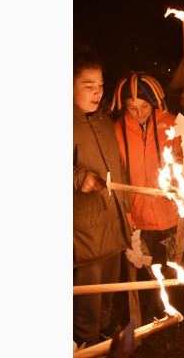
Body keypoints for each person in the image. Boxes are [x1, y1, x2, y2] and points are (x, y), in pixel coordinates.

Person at [112, 72, 183, 321]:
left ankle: (178, 307)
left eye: (144, 106)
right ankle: (154, 308)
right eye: (132, 107)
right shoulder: (117, 130)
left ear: (154, 102)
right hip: (139, 213)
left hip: (170, 211)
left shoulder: (171, 123)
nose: (139, 112)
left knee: (174, 263)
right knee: (147, 266)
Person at [73, 49, 132, 347]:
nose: (97, 92)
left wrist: (126, 209)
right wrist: (79, 178)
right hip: (85, 229)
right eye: (88, 85)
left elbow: (117, 169)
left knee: (108, 290)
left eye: (100, 84)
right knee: (89, 299)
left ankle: (106, 335)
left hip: (112, 221)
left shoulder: (104, 121)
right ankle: (86, 346)